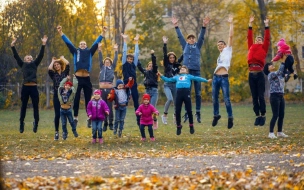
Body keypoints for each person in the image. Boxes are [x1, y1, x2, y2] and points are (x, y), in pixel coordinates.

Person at [57, 25, 107, 127]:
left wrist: (103, 32)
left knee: (89, 99)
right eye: (81, 44)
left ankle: (89, 118)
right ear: (79, 46)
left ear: (86, 45)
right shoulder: (76, 51)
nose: (83, 45)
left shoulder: (89, 52)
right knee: (76, 98)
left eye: (84, 44)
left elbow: (96, 43)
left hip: (86, 78)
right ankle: (75, 118)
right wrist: (61, 32)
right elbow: (68, 43)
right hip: (78, 79)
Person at [171, 16, 210, 123]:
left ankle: (198, 113)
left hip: (196, 71)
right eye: (190, 38)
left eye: (193, 38)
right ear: (187, 40)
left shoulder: (198, 46)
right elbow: (180, 37)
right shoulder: (185, 46)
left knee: (198, 93)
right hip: (186, 73)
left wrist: (204, 26)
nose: (192, 39)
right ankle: (187, 113)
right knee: (185, 93)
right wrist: (176, 26)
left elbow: (201, 37)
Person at [158, 65, 212, 135]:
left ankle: (191, 125)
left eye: (184, 69)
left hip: (186, 94)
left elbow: (197, 78)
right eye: (181, 69)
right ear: (179, 71)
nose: (182, 69)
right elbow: (168, 80)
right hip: (179, 95)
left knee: (189, 110)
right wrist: (161, 76)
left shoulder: (189, 76)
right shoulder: (176, 77)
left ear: (187, 71)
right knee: (177, 111)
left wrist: (206, 80)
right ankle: (178, 126)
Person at [11, 35, 48, 133]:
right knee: (23, 106)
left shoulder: (34, 64)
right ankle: (21, 123)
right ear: (24, 59)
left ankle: (36, 123)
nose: (29, 59)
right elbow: (16, 56)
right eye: (27, 58)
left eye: (30, 58)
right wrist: (12, 46)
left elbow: (40, 55)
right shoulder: (22, 64)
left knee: (36, 106)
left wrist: (43, 44)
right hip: (25, 88)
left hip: (34, 88)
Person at [247, 15, 270, 126]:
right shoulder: (251, 46)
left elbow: (267, 38)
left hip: (260, 73)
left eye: (260, 39)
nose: (258, 40)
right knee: (254, 96)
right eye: (257, 39)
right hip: (251, 74)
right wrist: (250, 24)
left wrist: (266, 25)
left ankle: (263, 114)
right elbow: (249, 37)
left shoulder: (264, 47)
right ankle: (257, 116)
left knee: (261, 96)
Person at [211, 15, 234, 129]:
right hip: (216, 77)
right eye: (218, 45)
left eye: (221, 45)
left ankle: (230, 118)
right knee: (214, 98)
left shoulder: (228, 50)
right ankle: (216, 115)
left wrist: (231, 23)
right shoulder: (219, 56)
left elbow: (230, 36)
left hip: (224, 77)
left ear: (225, 45)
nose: (219, 46)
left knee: (226, 99)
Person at [263, 57, 288, 139]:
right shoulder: (271, 75)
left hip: (281, 96)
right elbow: (280, 71)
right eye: (269, 65)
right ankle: (270, 133)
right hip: (274, 96)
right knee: (275, 115)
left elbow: (284, 75)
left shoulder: (278, 75)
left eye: (271, 64)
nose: (271, 65)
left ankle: (280, 132)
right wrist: (283, 62)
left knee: (281, 115)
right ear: (268, 69)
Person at [161, 36, 182, 125]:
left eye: (173, 57)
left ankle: (175, 116)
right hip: (167, 84)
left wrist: (187, 47)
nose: (172, 59)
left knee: (176, 102)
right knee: (169, 99)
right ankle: (164, 115)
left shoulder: (177, 65)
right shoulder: (167, 64)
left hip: (175, 85)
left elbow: (183, 56)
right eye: (170, 58)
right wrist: (165, 44)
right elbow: (165, 54)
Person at [121, 33, 140, 127]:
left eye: (131, 59)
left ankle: (139, 119)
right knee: (124, 102)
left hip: (133, 84)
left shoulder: (134, 64)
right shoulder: (124, 63)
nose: (130, 60)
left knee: (136, 101)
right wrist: (125, 41)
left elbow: (136, 53)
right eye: (128, 59)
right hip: (126, 84)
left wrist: (136, 42)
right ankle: (121, 120)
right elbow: (124, 52)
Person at [98, 43, 118, 132]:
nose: (106, 63)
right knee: (103, 107)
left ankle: (110, 123)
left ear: (110, 63)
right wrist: (99, 49)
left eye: (108, 62)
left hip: (109, 90)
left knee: (109, 107)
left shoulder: (112, 68)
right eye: (105, 62)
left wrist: (116, 50)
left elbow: (116, 59)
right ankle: (105, 123)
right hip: (102, 90)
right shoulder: (102, 68)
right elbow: (99, 58)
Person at [48, 56, 70, 140]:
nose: (56, 66)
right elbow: (49, 69)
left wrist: (62, 58)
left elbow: (68, 64)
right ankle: (56, 132)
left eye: (58, 64)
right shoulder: (53, 75)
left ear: (60, 65)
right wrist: (52, 61)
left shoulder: (65, 73)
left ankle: (65, 132)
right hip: (56, 96)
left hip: (65, 96)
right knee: (57, 114)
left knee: (65, 114)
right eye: (55, 65)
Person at [137, 50, 159, 129]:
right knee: (146, 107)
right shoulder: (145, 72)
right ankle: (147, 121)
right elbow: (139, 66)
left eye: (152, 66)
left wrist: (153, 55)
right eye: (149, 66)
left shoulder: (154, 72)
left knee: (152, 107)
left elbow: (155, 64)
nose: (151, 67)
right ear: (147, 67)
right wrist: (137, 58)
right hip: (147, 91)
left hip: (154, 91)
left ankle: (155, 120)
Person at [57, 75, 79, 140]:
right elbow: (61, 83)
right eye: (66, 85)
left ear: (70, 87)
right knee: (63, 123)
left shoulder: (72, 92)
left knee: (72, 121)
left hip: (68, 109)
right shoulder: (61, 90)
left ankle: (74, 130)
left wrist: (74, 78)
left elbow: (75, 86)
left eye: (69, 86)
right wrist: (66, 78)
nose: (67, 86)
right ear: (64, 85)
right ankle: (65, 133)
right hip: (62, 109)